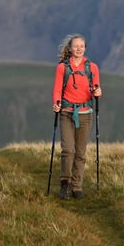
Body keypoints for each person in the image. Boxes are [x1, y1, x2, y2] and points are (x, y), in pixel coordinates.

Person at [52, 34, 102, 200]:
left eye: (82, 46)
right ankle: (65, 183)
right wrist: (57, 103)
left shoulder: (92, 67)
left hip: (85, 113)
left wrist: (98, 93)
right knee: (68, 150)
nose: (79, 49)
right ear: (70, 48)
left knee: (80, 152)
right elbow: (58, 89)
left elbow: (97, 89)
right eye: (76, 46)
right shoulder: (62, 67)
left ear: (85, 48)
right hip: (66, 112)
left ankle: (77, 187)